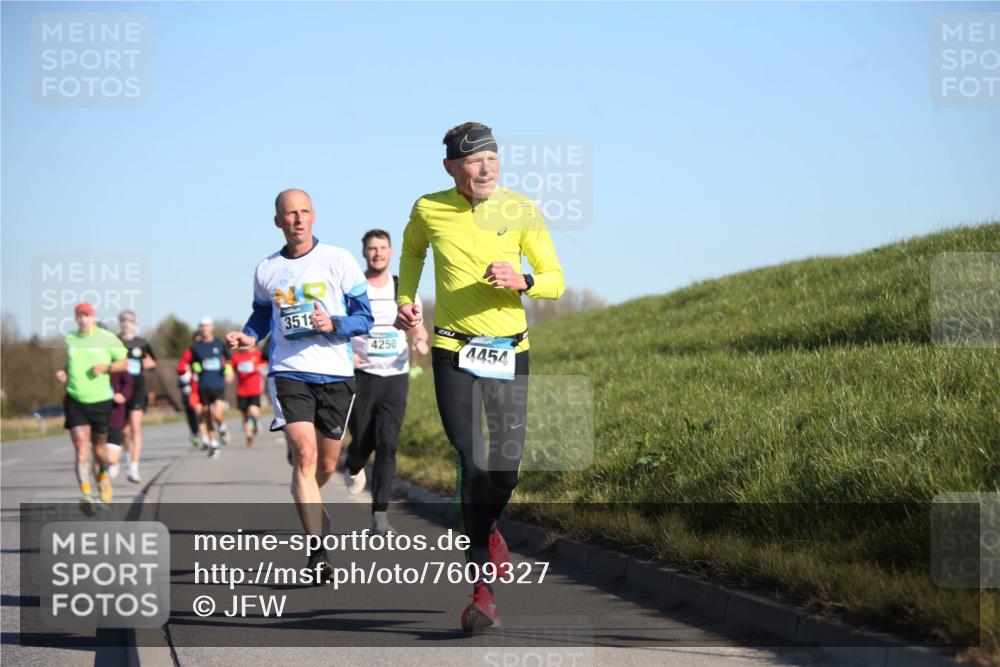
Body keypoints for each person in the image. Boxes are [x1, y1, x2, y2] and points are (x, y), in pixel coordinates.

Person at [394, 123, 564, 631]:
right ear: (451, 167)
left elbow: (554, 278)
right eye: (473, 160)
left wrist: (523, 279)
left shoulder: (522, 210)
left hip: (510, 351)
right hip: (452, 349)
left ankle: (490, 526)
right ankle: (482, 591)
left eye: (492, 157)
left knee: (506, 469)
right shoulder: (429, 208)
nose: (486, 167)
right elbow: (411, 253)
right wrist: (406, 301)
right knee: (472, 459)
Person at [226, 188, 373, 581]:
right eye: (289, 214)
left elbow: (365, 318)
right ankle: (317, 552)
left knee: (325, 463)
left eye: (304, 212)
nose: (297, 219)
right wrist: (248, 337)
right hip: (289, 371)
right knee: (305, 456)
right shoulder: (266, 270)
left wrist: (335, 324)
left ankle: (310, 495)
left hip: (336, 373)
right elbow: (260, 317)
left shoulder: (338, 260)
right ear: (278, 221)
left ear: (314, 216)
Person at [344, 229, 429, 536]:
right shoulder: (354, 289)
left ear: (390, 252)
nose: (377, 253)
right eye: (371, 248)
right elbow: (341, 327)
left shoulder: (402, 288)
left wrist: (420, 340)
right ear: (364, 253)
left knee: (388, 443)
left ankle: (380, 516)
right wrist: (346, 354)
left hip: (395, 375)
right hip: (363, 375)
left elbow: (418, 328)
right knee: (363, 441)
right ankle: (352, 464)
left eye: (382, 248)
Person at [56, 303, 130, 507]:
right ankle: (86, 494)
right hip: (74, 399)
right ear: (75, 318)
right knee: (81, 447)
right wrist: (64, 373)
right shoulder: (70, 338)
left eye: (86, 315)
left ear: (93, 317)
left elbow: (125, 362)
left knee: (99, 450)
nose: (82, 319)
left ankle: (103, 477)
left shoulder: (106, 338)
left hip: (100, 401)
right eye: (79, 316)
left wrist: (107, 367)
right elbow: (71, 363)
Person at [117, 310, 157, 483]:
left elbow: (153, 363)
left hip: (138, 389)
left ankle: (134, 467)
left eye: (130, 320)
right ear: (120, 323)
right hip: (120, 389)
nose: (127, 323)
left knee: (135, 428)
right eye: (124, 320)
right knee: (124, 432)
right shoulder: (114, 342)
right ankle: (128, 454)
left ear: (135, 324)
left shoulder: (143, 343)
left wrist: (150, 364)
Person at [188, 317, 233, 458]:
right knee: (207, 414)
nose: (205, 329)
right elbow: (193, 363)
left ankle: (222, 427)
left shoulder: (219, 343)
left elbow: (229, 359)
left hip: (218, 383)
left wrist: (229, 370)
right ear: (200, 328)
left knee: (216, 413)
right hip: (204, 385)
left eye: (207, 326)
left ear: (211, 328)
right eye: (202, 326)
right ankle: (214, 444)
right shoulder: (195, 347)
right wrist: (195, 367)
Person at [230, 341, 267, 446]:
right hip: (241, 391)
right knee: (245, 416)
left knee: (253, 411)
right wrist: (228, 375)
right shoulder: (236, 357)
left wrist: (261, 370)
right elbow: (230, 370)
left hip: (255, 390)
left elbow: (265, 366)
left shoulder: (257, 355)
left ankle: (256, 421)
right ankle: (249, 437)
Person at [177, 334, 207, 447]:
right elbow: (180, 367)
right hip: (190, 388)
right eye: (196, 342)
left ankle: (207, 436)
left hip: (205, 387)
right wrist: (187, 368)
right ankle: (195, 433)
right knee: (192, 412)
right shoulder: (189, 352)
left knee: (204, 412)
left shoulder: (207, 352)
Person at [105, 367, 134, 480]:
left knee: (126, 433)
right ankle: (112, 464)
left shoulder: (118, 362)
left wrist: (124, 395)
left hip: (117, 409)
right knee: (99, 448)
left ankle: (127, 461)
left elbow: (128, 383)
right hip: (96, 408)